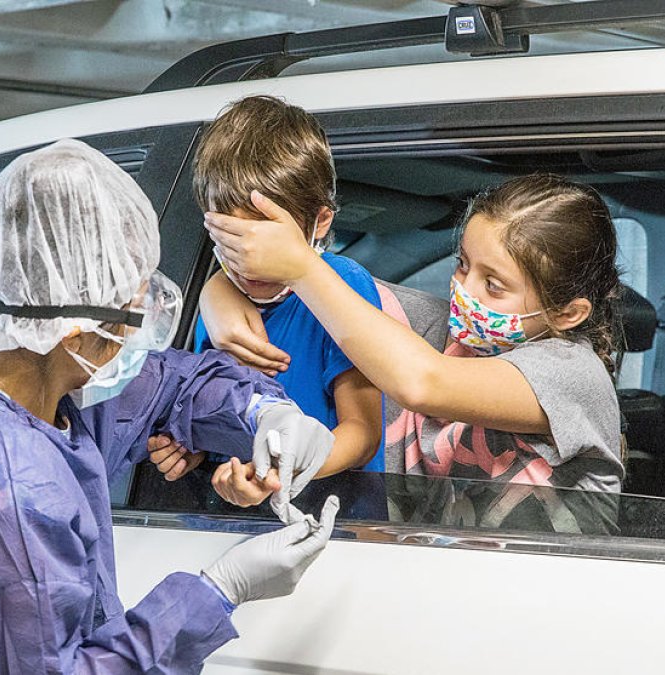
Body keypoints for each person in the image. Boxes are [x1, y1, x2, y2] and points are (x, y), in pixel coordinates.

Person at [0, 139, 340, 674]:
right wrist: (218, 591)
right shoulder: (6, 495)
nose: (142, 332)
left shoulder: (27, 381)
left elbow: (172, 385)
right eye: (132, 310)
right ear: (72, 329)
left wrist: (262, 413)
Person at [203, 174, 625, 497]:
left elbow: (424, 383)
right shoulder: (442, 332)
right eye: (462, 265)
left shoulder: (573, 375)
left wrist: (299, 266)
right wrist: (218, 288)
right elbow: (327, 295)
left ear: (568, 313)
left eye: (493, 285)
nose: (464, 290)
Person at [147, 96, 384, 514]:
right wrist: (194, 449)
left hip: (337, 524)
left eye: (263, 242)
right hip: (232, 523)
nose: (246, 262)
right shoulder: (216, 309)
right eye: (230, 240)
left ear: (321, 222)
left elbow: (363, 433)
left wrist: (281, 469)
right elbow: (219, 415)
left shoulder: (343, 286)